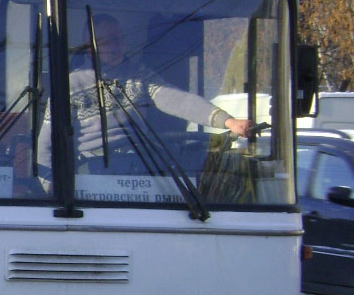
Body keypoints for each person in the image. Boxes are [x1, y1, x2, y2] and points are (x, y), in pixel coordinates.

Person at [38, 14, 254, 177]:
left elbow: (177, 100)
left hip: (141, 168)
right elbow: (46, 145)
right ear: (89, 47)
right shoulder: (69, 85)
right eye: (108, 41)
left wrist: (228, 121)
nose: (117, 46)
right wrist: (50, 185)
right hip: (95, 170)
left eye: (120, 40)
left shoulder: (139, 76)